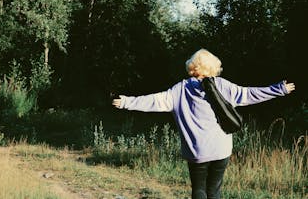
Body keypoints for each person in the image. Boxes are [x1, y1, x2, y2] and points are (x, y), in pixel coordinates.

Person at [112, 48, 295, 199]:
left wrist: (127, 102)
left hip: (196, 151)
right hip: (220, 150)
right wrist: (278, 89)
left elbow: (154, 101)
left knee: (198, 190)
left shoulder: (180, 89)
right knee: (214, 191)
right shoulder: (223, 86)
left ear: (192, 67)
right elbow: (250, 94)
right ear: (213, 67)